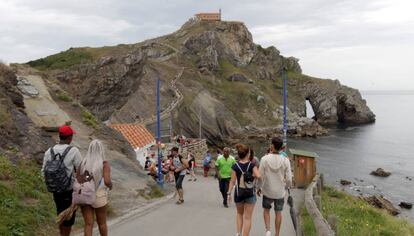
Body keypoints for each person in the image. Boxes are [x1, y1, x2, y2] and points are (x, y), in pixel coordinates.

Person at [42, 125, 82, 236]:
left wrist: (53, 182)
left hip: (55, 189)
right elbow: (81, 169)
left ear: (60, 136)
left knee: (60, 213)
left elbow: (43, 171)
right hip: (68, 189)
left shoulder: (49, 151)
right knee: (68, 217)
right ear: (70, 138)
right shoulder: (73, 151)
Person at [257, 137, 292, 236]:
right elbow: (289, 178)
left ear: (272, 146)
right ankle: (277, 234)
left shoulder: (264, 159)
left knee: (266, 210)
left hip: (268, 190)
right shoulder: (286, 160)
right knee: (278, 212)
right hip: (280, 191)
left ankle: (268, 230)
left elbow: (260, 176)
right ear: (281, 147)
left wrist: (259, 187)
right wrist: (287, 186)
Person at [79, 140, 113, 236]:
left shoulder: (83, 163)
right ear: (101, 150)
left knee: (88, 224)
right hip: (99, 195)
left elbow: (78, 179)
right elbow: (107, 181)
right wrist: (111, 186)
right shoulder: (104, 164)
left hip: (85, 195)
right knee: (102, 223)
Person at [227, 144, 261, 236]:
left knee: (239, 214)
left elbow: (232, 181)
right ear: (247, 154)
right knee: (248, 218)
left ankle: (238, 233)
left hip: (239, 194)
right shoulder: (252, 165)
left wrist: (229, 193)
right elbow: (258, 176)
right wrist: (253, 176)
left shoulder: (235, 166)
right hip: (250, 193)